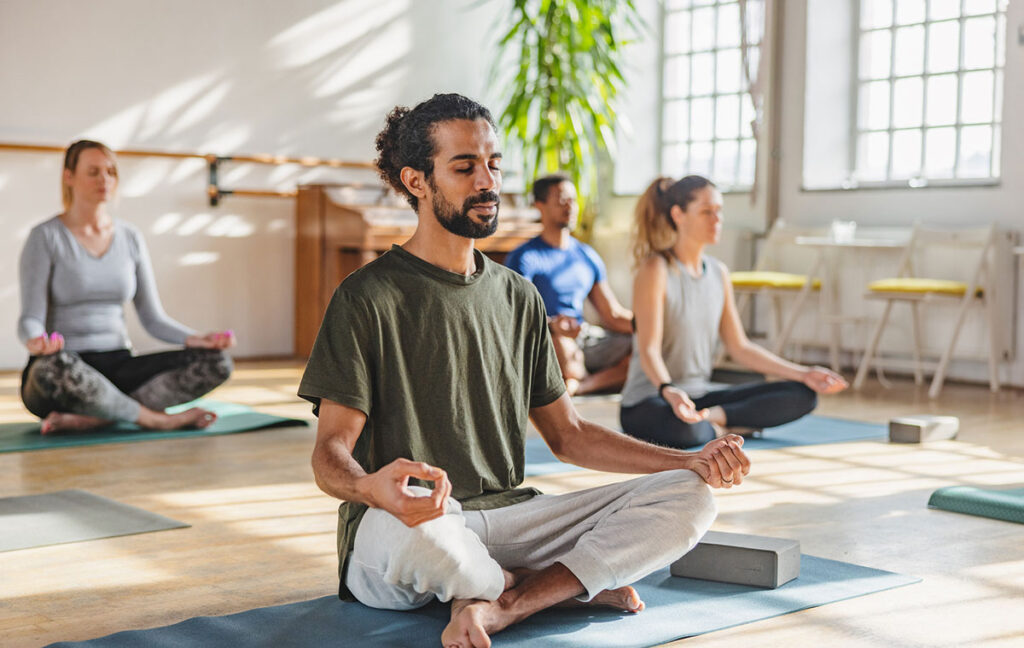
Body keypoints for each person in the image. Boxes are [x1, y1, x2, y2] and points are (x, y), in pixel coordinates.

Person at [299, 94, 751, 648]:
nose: (488, 181)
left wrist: (691, 460)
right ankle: (557, 584)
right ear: (416, 181)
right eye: (465, 168)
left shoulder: (518, 296)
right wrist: (371, 486)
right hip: (406, 524)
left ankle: (507, 603)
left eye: (494, 164)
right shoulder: (366, 297)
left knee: (691, 497)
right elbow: (328, 457)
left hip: (511, 517)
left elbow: (570, 436)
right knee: (432, 540)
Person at [17, 140, 235, 434]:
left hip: (118, 365)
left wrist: (197, 339)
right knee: (49, 368)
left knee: (217, 362)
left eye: (110, 171)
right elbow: (30, 317)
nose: (104, 179)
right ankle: (155, 419)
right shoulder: (45, 237)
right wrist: (36, 340)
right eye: (93, 171)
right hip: (65, 369)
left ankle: (99, 417)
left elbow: (152, 319)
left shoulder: (130, 237)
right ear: (69, 177)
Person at [619, 175, 848, 449]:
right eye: (706, 212)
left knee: (803, 394)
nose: (717, 220)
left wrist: (802, 373)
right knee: (683, 430)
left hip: (699, 397)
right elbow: (649, 351)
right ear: (678, 215)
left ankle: (715, 421)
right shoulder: (655, 269)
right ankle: (726, 425)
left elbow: (739, 347)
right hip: (652, 400)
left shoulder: (718, 273)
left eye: (719, 211)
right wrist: (669, 390)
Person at [505, 174, 633, 395]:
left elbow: (611, 313)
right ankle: (573, 379)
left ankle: (581, 385)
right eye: (562, 199)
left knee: (643, 346)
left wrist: (651, 326)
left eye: (573, 200)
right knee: (561, 343)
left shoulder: (587, 255)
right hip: (549, 336)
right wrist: (553, 325)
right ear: (540, 205)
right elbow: (519, 313)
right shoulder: (524, 257)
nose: (570, 206)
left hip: (584, 337)